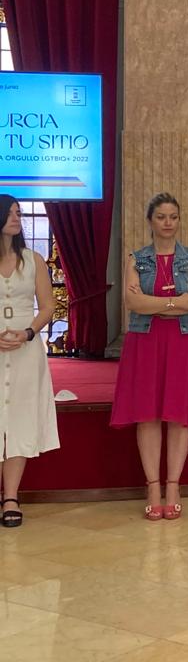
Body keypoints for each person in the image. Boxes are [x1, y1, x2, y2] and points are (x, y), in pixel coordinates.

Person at [111, 193, 188, 520]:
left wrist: (157, 303)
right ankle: (153, 486)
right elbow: (132, 304)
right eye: (161, 217)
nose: (168, 223)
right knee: (148, 413)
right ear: (150, 221)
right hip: (146, 341)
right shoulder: (136, 259)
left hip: (184, 342)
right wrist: (173, 303)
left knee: (179, 414)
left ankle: (173, 484)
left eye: (173, 217)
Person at [0, 195, 59, 527]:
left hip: (25, 350)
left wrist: (27, 333)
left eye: (18, 213)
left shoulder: (32, 259)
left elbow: (48, 306)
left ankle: (11, 496)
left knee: (19, 417)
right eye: (9, 213)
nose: (16, 218)